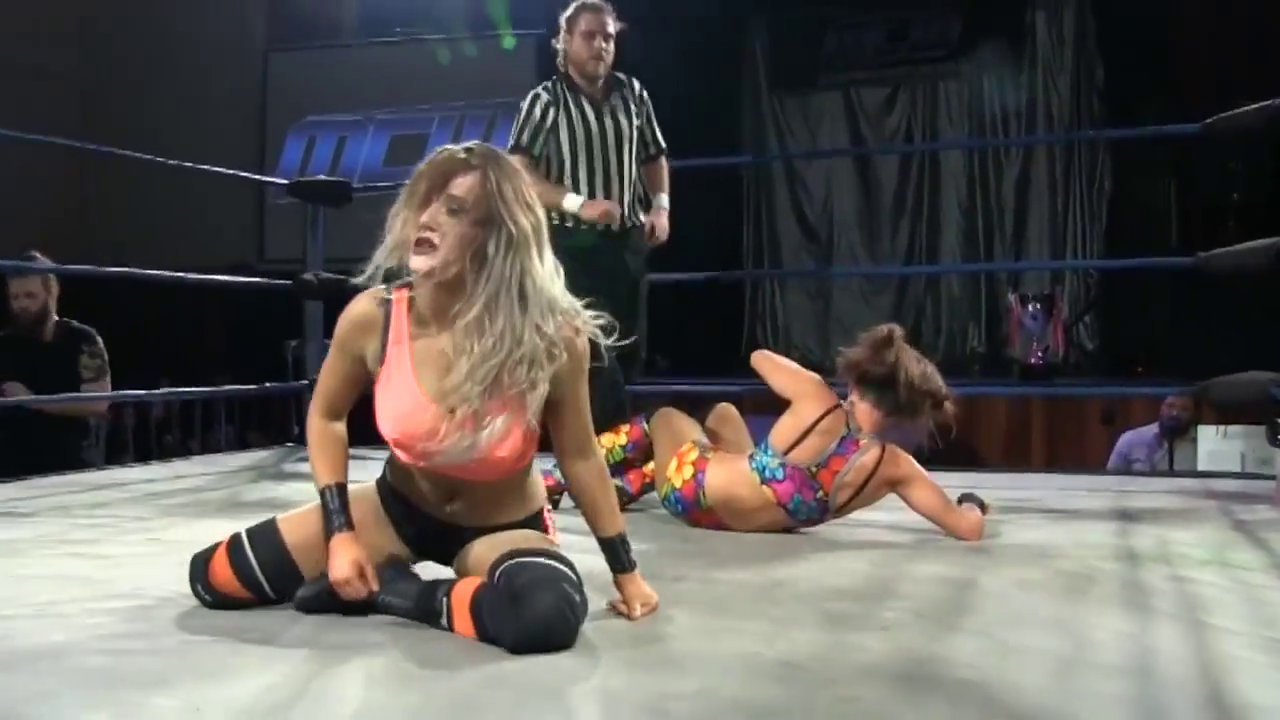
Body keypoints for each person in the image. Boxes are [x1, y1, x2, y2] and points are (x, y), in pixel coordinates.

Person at [187, 142, 659, 656]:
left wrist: (626, 573)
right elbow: (326, 417)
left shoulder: (551, 337)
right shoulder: (374, 316)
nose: (428, 218)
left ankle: (399, 593)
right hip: (397, 510)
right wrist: (341, 533)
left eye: (454, 210)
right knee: (214, 577)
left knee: (545, 617)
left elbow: (580, 456)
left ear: (497, 237)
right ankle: (397, 575)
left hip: (500, 526)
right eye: (426, 202)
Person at [509, 0, 669, 508]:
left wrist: (660, 206)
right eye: (589, 36)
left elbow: (654, 156)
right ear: (565, 42)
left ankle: (594, 462)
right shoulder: (545, 101)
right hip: (569, 247)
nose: (600, 45)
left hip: (626, 246)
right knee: (595, 357)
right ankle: (608, 471)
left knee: (626, 354)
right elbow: (519, 172)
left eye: (608, 37)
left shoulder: (633, 94)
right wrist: (578, 203)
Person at [643, 324, 988, 538]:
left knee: (666, 419)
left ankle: (618, 482)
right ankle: (637, 477)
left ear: (858, 379)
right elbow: (967, 528)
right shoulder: (895, 466)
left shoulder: (818, 400)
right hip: (734, 520)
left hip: (690, 495)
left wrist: (812, 382)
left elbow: (759, 357)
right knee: (724, 415)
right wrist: (971, 505)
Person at [0, 251, 112, 477]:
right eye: (15, 297)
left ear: (51, 293)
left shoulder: (83, 340)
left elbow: (98, 402)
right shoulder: (5, 344)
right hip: (13, 467)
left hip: (69, 464)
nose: (21, 305)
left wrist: (32, 400)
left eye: (30, 296)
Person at [1106, 393, 1198, 473]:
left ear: (1193, 414)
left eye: (1185, 409)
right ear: (1161, 408)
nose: (1175, 413)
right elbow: (1111, 479)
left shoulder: (1201, 443)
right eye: (1170, 406)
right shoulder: (1132, 439)